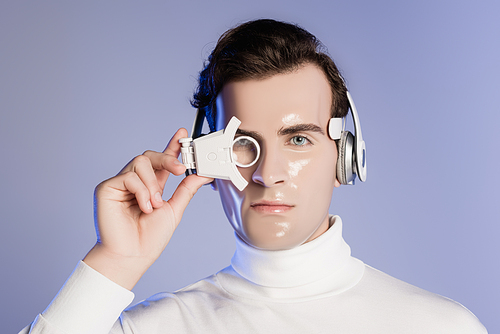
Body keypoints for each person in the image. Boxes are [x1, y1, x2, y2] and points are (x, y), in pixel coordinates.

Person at [21, 19, 486, 334]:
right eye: (243, 145)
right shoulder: (155, 327)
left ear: (345, 158)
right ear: (205, 160)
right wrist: (115, 262)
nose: (268, 173)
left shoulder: (440, 326)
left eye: (299, 140)